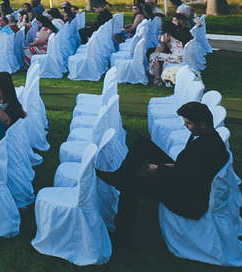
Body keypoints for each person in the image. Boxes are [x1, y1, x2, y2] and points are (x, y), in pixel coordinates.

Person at [97, 101, 229, 251]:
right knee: (142, 143)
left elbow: (190, 180)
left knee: (130, 185)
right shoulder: (206, 135)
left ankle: (122, 238)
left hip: (186, 195)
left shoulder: (209, 147)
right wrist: (174, 166)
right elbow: (194, 167)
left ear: (202, 125)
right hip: (181, 174)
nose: (185, 125)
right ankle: (119, 175)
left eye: (188, 123)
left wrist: (159, 170)